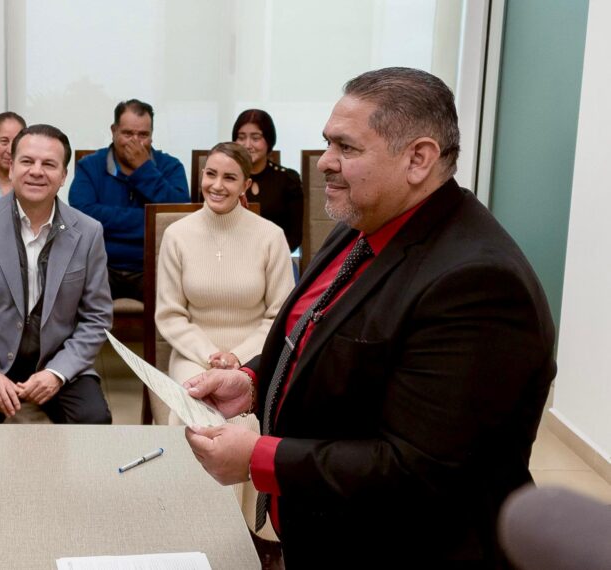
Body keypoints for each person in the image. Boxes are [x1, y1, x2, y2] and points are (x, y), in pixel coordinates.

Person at [183, 67, 556, 567]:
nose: (325, 164)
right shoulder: (366, 222)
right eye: (327, 143)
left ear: (418, 159)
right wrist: (253, 381)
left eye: (347, 148)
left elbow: (419, 467)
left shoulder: (479, 283)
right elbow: (323, 341)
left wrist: (257, 458)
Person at [0, 124, 113, 425]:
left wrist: (57, 373)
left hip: (58, 360)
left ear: (63, 176)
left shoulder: (88, 232)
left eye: (49, 164)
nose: (37, 171)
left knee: (94, 421)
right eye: (27, 161)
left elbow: (96, 317)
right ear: (11, 168)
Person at [156, 142, 293, 421]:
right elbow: (170, 314)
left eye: (229, 178)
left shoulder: (271, 236)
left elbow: (280, 316)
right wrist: (211, 355)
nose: (217, 185)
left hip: (256, 358)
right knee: (193, 411)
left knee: (248, 425)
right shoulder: (176, 235)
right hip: (194, 356)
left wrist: (239, 357)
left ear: (246, 184)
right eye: (211, 174)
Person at [69, 99, 188, 300]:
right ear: (114, 130)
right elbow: (82, 216)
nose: (135, 141)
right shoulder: (89, 166)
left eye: (143, 135)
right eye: (127, 133)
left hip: (154, 267)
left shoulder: (171, 166)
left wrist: (144, 171)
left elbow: (178, 216)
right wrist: (150, 221)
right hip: (102, 265)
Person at [233, 109, 304, 251]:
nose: (247, 145)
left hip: (276, 258)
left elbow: (295, 236)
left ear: (269, 141)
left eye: (255, 138)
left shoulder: (288, 179)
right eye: (241, 137)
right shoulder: (225, 179)